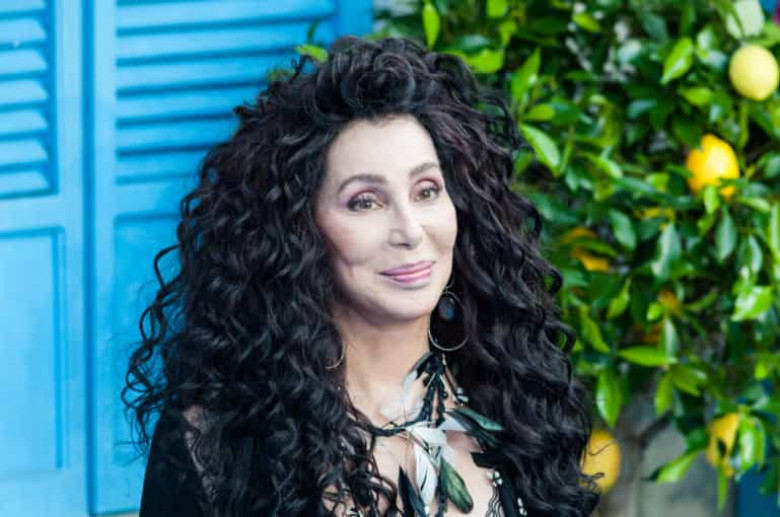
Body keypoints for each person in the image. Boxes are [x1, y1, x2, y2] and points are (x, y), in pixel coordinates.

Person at [122, 35, 601, 517]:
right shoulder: (218, 444)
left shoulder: (518, 404)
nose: (410, 231)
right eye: (365, 202)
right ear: (300, 232)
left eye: (427, 191)